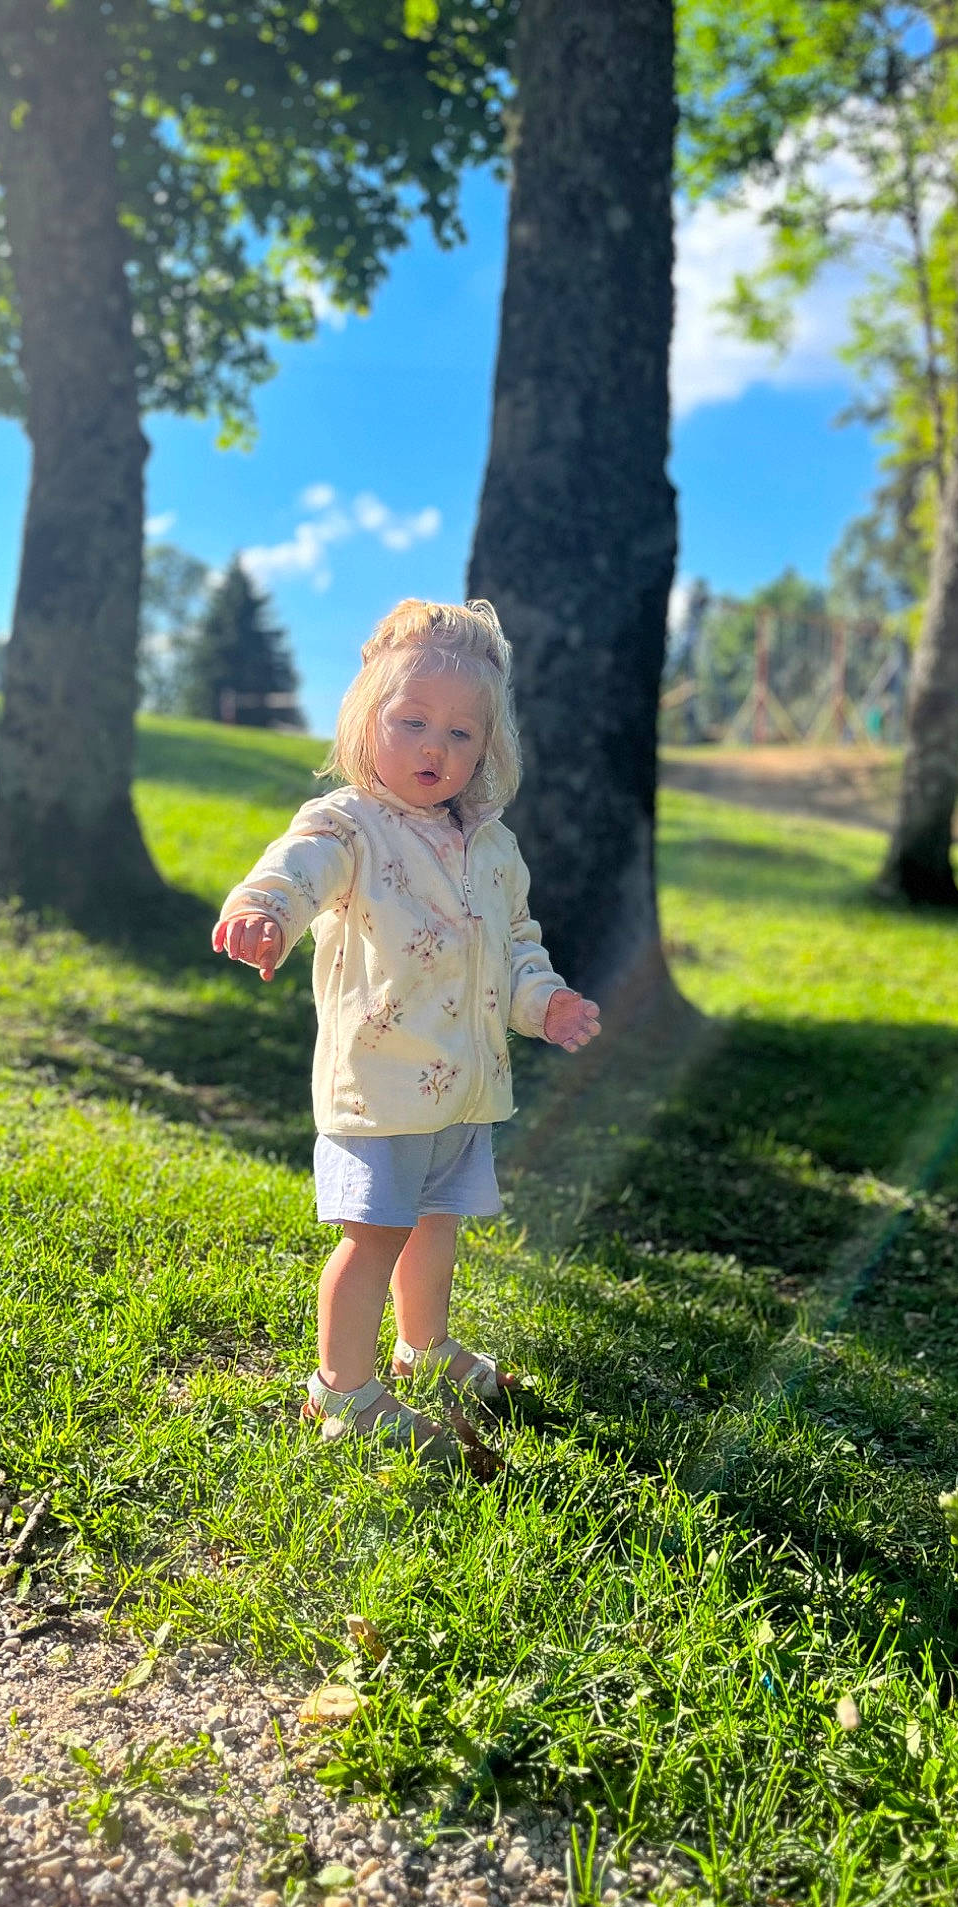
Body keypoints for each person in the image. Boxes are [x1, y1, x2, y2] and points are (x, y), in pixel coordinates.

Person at [212, 598, 600, 1458]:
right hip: (381, 1079)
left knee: (437, 1224)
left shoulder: (493, 849)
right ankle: (340, 1392)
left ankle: (422, 1348)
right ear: (367, 722)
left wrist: (546, 1003)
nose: (437, 747)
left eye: (463, 735)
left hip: (462, 1086)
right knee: (375, 1233)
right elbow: (296, 869)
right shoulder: (349, 823)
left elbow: (517, 946)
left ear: (488, 749)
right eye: (414, 721)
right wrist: (264, 912)